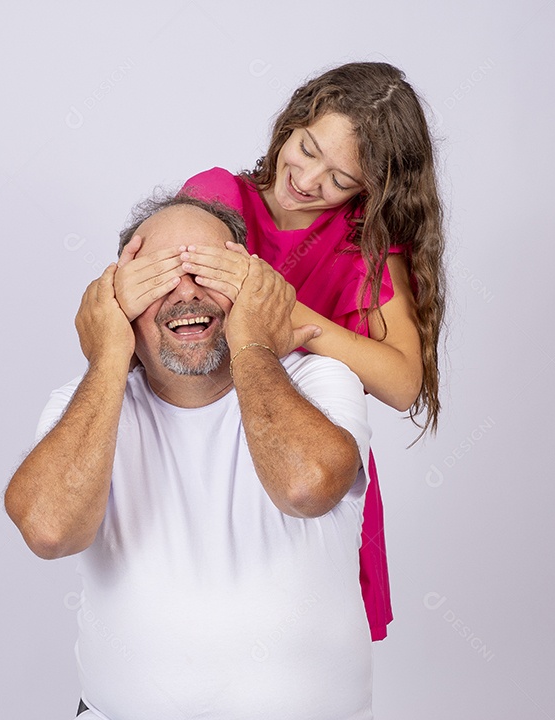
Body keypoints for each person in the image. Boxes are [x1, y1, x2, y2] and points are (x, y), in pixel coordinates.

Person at [6, 195, 376, 720]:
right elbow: (48, 528)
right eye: (156, 278)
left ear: (250, 287)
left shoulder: (320, 381)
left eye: (208, 271)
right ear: (118, 300)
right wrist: (110, 352)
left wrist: (251, 339)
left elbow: (305, 485)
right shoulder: (87, 402)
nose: (186, 293)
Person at [114, 62, 447, 642]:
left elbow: (402, 382)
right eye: (308, 147)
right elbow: (174, 317)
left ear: (371, 189)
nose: (310, 179)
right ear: (291, 124)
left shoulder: (360, 246)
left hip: (303, 453)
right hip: (209, 444)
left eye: (341, 178)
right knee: (189, 621)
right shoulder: (219, 195)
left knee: (296, 637)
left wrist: (294, 319)